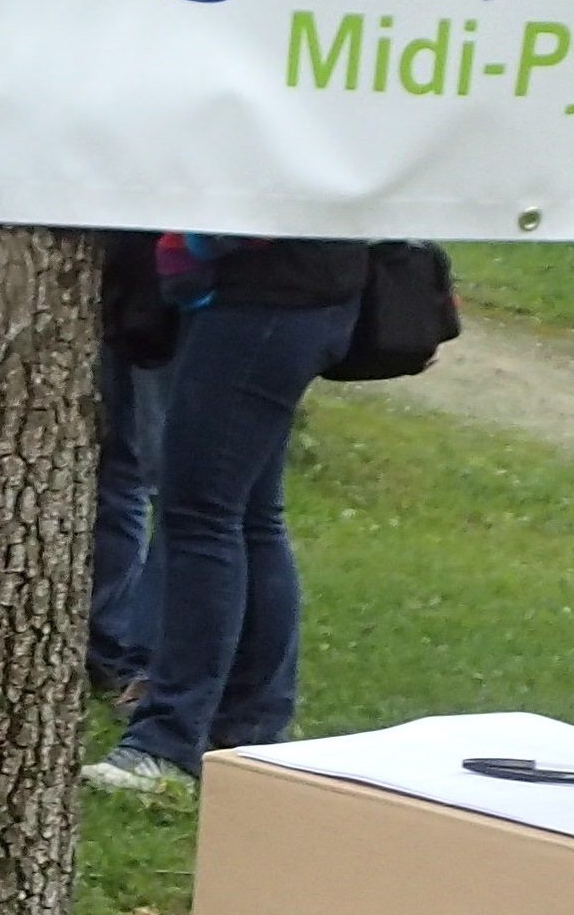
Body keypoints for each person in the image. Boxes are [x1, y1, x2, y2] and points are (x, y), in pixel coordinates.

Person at [80, 229, 372, 799]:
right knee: (250, 515)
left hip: (259, 296)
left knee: (200, 516)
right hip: (300, 290)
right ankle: (249, 726)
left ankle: (165, 743)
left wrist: (190, 244)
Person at [89, 230, 180, 702]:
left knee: (175, 490)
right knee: (114, 475)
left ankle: (147, 660)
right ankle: (109, 643)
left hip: (179, 293)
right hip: (124, 286)